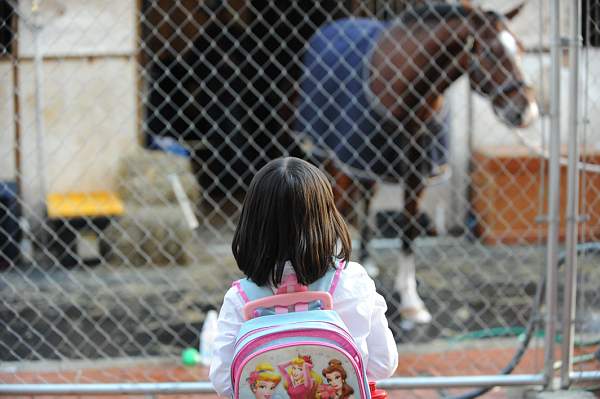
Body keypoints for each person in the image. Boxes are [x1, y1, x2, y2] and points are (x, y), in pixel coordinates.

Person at [209, 157, 398, 397]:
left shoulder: (240, 298)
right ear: (326, 219)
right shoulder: (353, 282)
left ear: (252, 225)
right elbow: (384, 364)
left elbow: (224, 383)